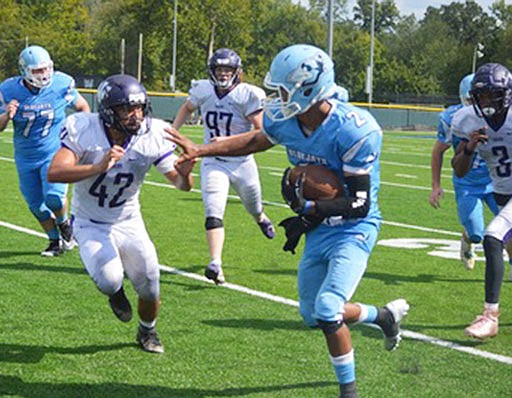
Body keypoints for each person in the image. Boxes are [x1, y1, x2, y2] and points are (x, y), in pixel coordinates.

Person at [166, 44, 409, 398]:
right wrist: (202, 150)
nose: (276, 99)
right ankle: (382, 316)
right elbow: (255, 139)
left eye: (282, 90)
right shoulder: (288, 120)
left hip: (354, 228)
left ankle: (349, 392)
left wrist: (308, 208)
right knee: (313, 315)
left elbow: (358, 202)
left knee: (328, 308)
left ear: (309, 89)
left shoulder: (357, 129)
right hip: (320, 227)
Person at [47, 74, 195, 354]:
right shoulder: (84, 128)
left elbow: (181, 185)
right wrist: (97, 167)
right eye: (126, 109)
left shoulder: (153, 133)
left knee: (150, 284)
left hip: (128, 219)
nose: (135, 115)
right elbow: (55, 172)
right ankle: (115, 293)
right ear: (107, 110)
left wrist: (186, 175)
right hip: (90, 221)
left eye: (139, 108)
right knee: (109, 279)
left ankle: (147, 331)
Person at [171, 48, 275, 285]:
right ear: (212, 71)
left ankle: (260, 218)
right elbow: (187, 108)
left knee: (253, 204)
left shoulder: (247, 94)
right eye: (219, 69)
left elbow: (260, 131)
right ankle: (215, 263)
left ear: (237, 71)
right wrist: (174, 131)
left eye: (228, 69)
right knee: (213, 210)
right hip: (213, 160)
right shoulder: (204, 91)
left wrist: (227, 141)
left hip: (242, 160)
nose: (224, 73)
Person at [0, 45, 90, 256]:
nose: (43, 75)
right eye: (37, 71)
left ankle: (64, 225)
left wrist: (79, 133)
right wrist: (7, 115)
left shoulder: (62, 84)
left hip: (54, 151)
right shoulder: (9, 90)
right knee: (35, 204)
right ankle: (55, 241)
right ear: (24, 70)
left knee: (53, 197)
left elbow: (83, 106)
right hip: (25, 155)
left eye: (46, 69)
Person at [451, 62, 512, 340]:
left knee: (491, 236)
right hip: (501, 192)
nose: (487, 102)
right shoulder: (467, 120)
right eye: (482, 96)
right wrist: (469, 148)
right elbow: (460, 169)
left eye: (493, 95)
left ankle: (490, 317)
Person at [429, 74, 498, 270]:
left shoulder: (500, 114)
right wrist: (436, 186)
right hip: (467, 182)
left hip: (496, 180)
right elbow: (438, 151)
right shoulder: (452, 118)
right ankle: (468, 239)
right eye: (474, 98)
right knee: (477, 233)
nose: (480, 102)